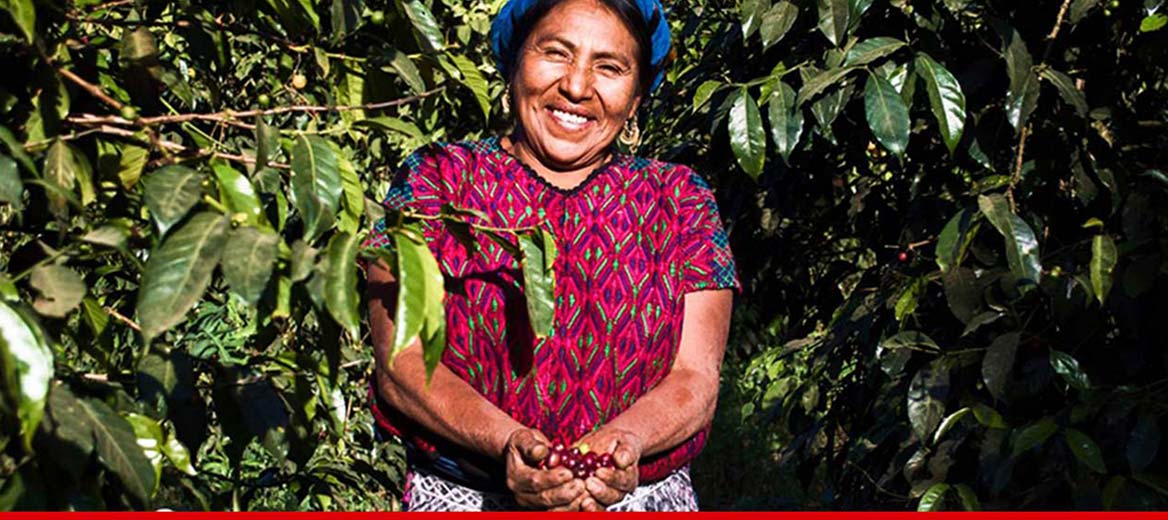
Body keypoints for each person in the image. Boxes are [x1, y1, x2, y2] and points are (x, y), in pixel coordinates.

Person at [363, 0, 738, 511]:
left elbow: (696, 378)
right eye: (556, 53)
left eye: (609, 67)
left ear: (635, 99)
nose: (578, 87)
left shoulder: (679, 199)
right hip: (468, 498)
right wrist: (508, 441)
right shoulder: (438, 180)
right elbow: (401, 362)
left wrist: (623, 444)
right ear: (514, 64)